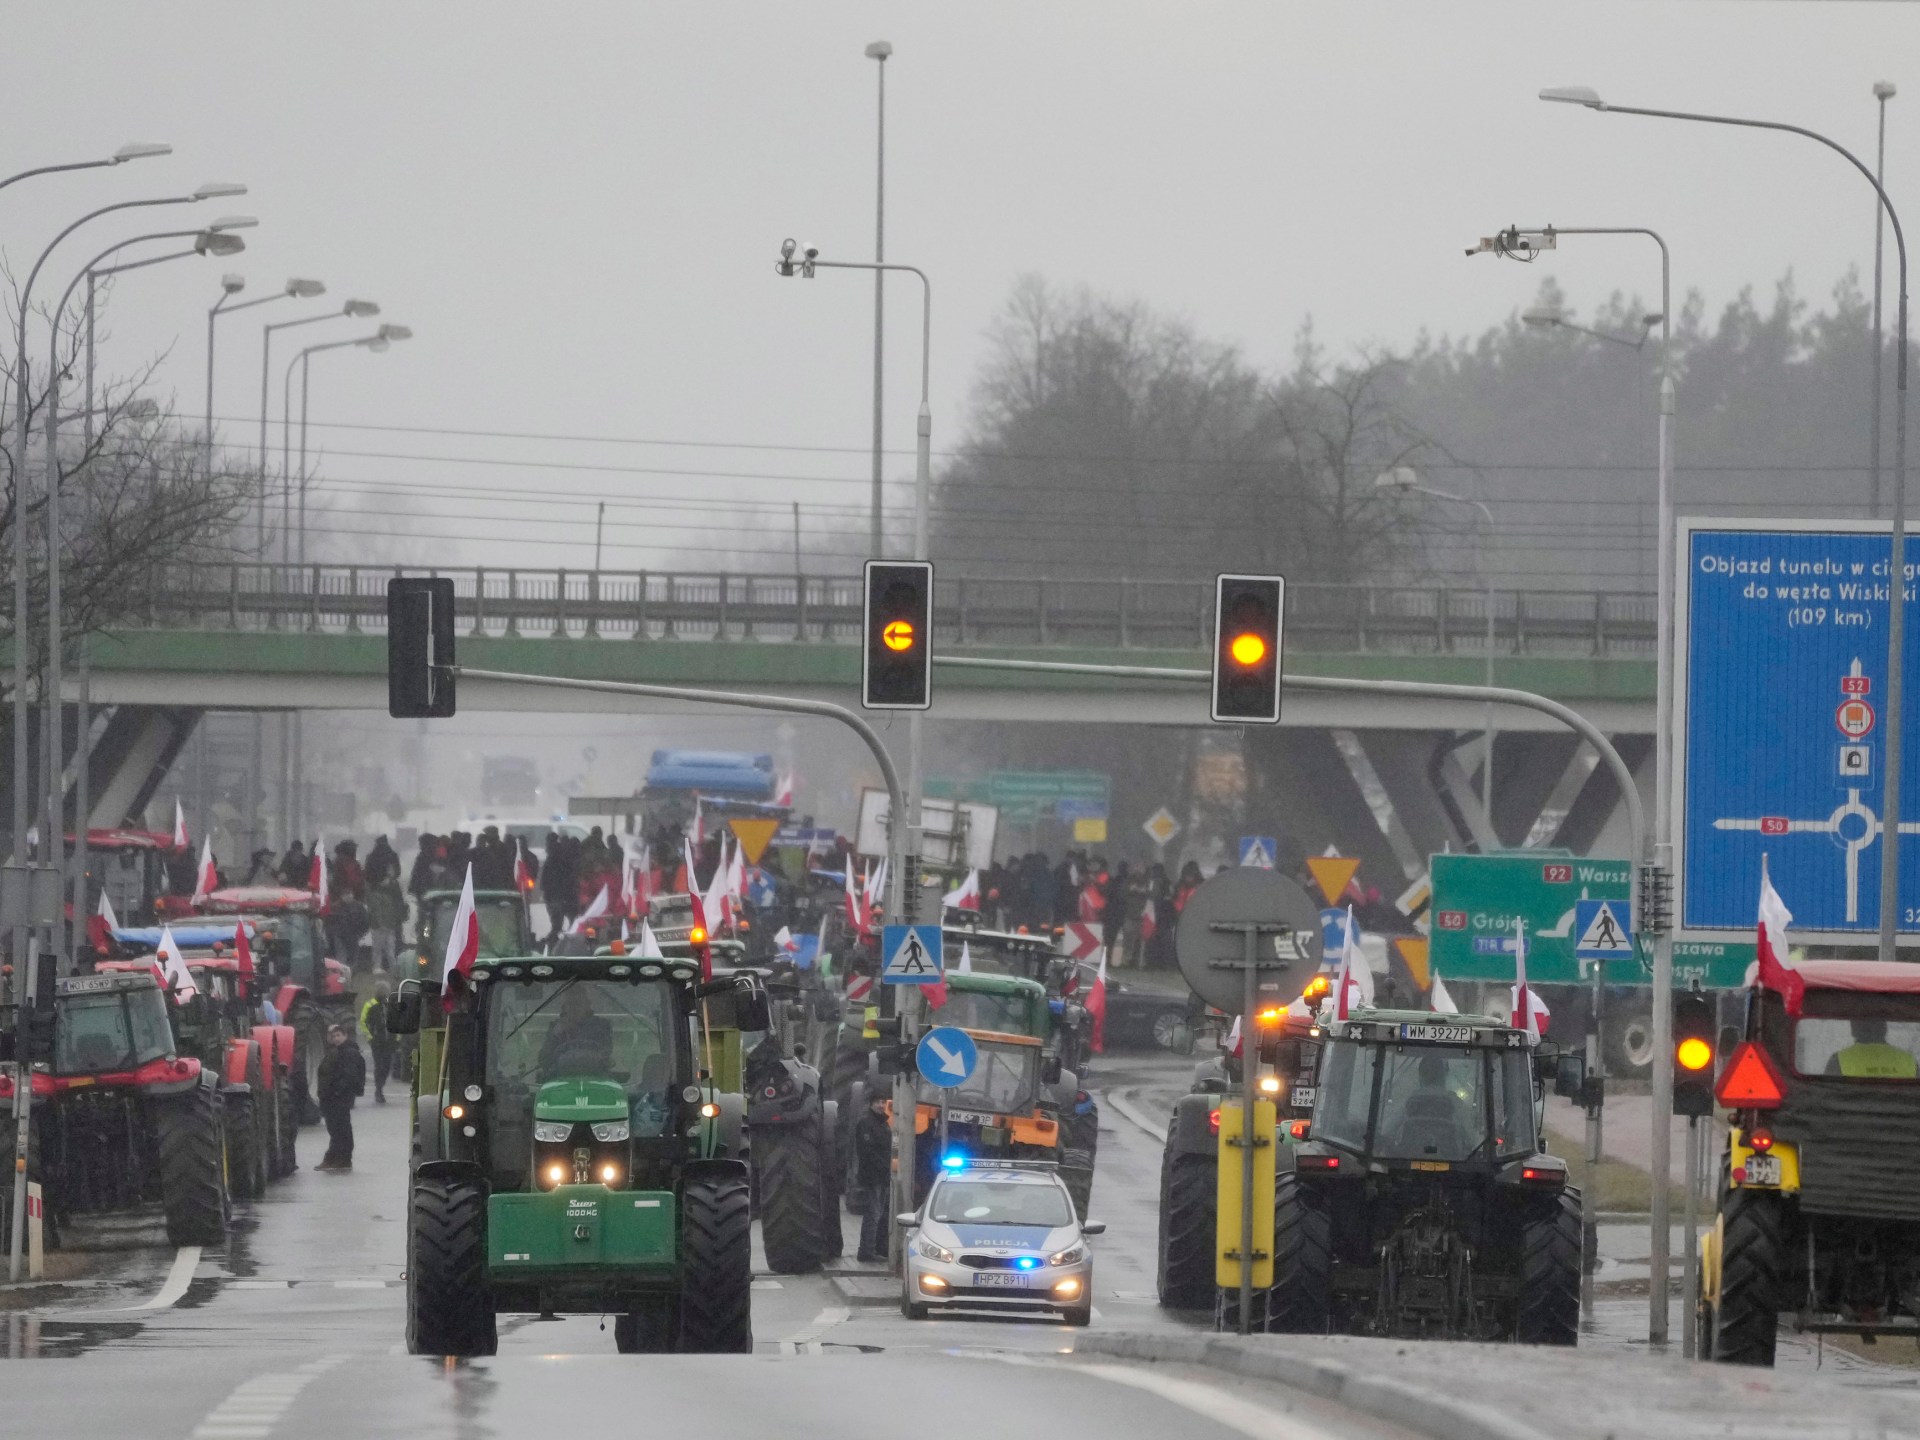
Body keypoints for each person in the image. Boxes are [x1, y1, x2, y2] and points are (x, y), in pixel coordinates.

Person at [315, 1023, 367, 1171]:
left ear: (345, 1036)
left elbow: (348, 1076)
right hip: (332, 1097)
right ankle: (336, 1158)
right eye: (333, 1036)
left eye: (339, 1035)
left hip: (338, 1098)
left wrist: (337, 1092)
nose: (336, 1038)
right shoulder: (337, 1051)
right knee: (336, 1129)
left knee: (340, 1129)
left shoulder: (348, 1052)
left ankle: (340, 1158)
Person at [537, 985, 614, 1076]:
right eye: (570, 1004)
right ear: (564, 1007)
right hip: (561, 1078)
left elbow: (605, 1051)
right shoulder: (555, 1028)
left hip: (595, 1077)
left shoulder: (601, 1026)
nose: (574, 1008)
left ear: (588, 1005)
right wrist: (557, 1034)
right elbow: (544, 1060)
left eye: (578, 1003)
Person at [853, 1093, 894, 1263]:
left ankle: (876, 1248)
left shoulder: (883, 1123)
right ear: (871, 1104)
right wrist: (884, 1166)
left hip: (882, 1176)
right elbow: (867, 1152)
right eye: (877, 1102)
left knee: (878, 1214)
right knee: (873, 1214)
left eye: (883, 1102)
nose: (880, 1105)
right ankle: (866, 1251)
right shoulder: (866, 1123)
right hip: (873, 1177)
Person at [1828, 1017, 1919, 1078]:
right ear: (1884, 1027)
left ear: (1854, 1029)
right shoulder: (1909, 1061)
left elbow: (1826, 1100)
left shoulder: (1838, 1061)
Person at [360, 979, 397, 1103]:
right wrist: (370, 1037)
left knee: (386, 1066)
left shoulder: (391, 1004)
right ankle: (378, 1090)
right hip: (377, 1042)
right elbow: (363, 1022)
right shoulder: (370, 1005)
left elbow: (397, 1023)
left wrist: (397, 1038)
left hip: (389, 1042)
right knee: (378, 1066)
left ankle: (381, 1086)